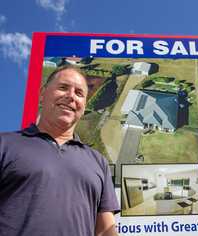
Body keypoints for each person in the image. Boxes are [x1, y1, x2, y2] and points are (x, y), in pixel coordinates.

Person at [0, 65, 120, 236]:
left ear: (84, 106)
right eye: (63, 88)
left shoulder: (98, 162)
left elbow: (105, 231)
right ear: (42, 94)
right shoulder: (5, 145)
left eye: (79, 93)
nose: (71, 96)